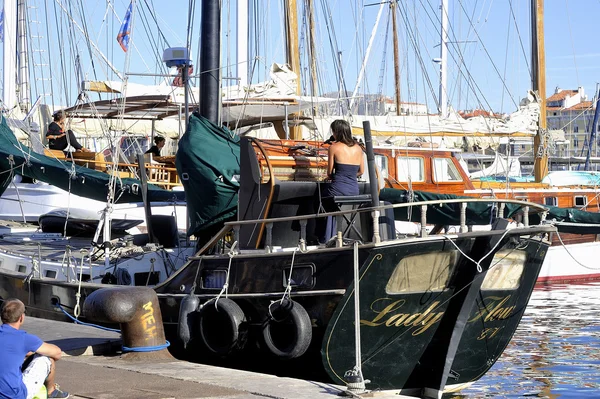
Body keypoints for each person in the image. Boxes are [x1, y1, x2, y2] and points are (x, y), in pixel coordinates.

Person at [0, 299, 69, 399]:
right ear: (21, 318)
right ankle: (51, 392)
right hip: (15, 395)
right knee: (47, 359)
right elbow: (57, 353)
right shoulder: (24, 338)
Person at [326, 119, 364, 197]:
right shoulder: (358, 148)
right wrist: (349, 176)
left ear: (336, 132)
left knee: (317, 200)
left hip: (337, 189)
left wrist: (340, 177)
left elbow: (329, 173)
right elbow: (361, 171)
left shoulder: (333, 147)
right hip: (354, 190)